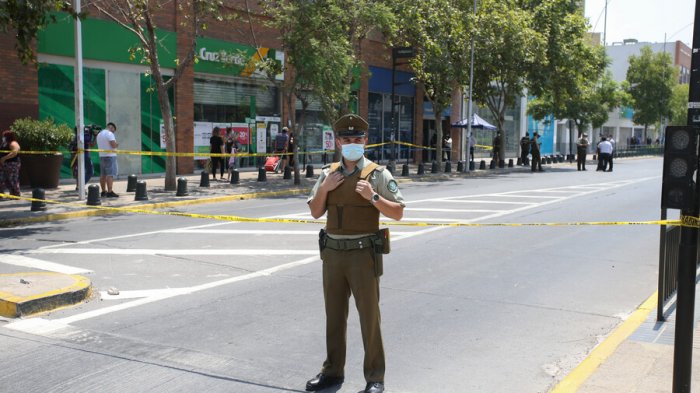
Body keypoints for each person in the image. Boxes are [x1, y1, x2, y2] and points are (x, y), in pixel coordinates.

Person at [306, 114, 405, 393]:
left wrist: (372, 197)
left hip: (363, 255)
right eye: (346, 139)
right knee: (334, 316)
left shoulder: (377, 174)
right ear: (338, 142)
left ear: (365, 141)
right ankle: (332, 372)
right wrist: (325, 188)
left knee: (369, 318)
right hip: (333, 254)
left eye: (357, 139)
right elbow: (315, 212)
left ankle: (375, 378)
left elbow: (397, 212)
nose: (352, 144)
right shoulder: (328, 173)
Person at [96, 122, 119, 198]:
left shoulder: (99, 134)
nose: (113, 132)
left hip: (102, 156)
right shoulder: (109, 134)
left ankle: (103, 191)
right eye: (113, 130)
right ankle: (110, 192)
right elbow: (113, 145)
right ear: (111, 128)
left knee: (103, 175)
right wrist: (116, 145)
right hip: (110, 156)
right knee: (110, 174)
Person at [0, 130, 21, 197]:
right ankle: (3, 194)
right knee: (2, 179)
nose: (3, 137)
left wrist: (4, 158)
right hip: (4, 165)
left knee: (13, 179)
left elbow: (14, 152)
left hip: (12, 164)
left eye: (4, 136)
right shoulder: (4, 143)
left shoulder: (13, 143)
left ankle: (16, 194)